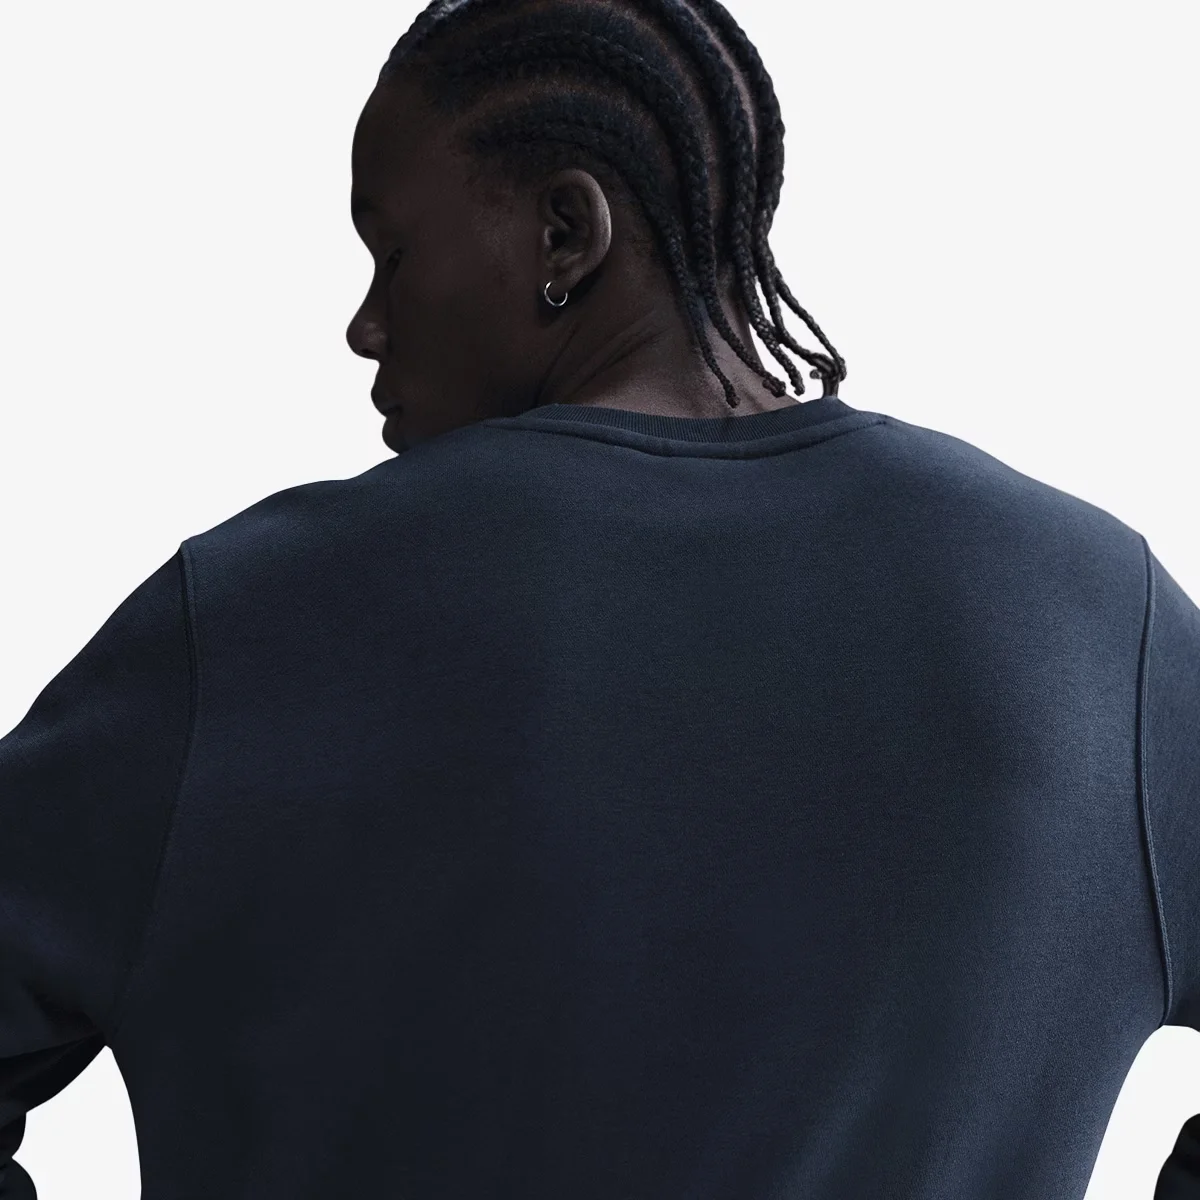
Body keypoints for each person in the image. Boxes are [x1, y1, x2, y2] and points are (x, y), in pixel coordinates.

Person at [0, 0, 1196, 1196]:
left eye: (392, 253)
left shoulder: (248, 622)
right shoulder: (1094, 621)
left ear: (567, 233)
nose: (364, 326)